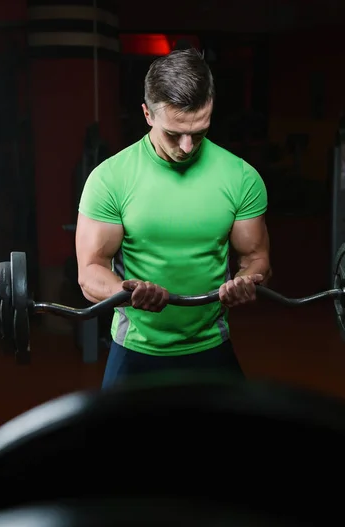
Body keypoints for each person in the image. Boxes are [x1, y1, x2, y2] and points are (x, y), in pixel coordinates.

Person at [76, 47, 271, 388]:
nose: (186, 147)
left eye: (199, 132)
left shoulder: (241, 177)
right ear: (147, 114)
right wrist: (126, 290)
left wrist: (248, 280)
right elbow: (90, 272)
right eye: (173, 133)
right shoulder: (110, 179)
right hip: (136, 347)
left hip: (211, 344)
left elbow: (256, 258)